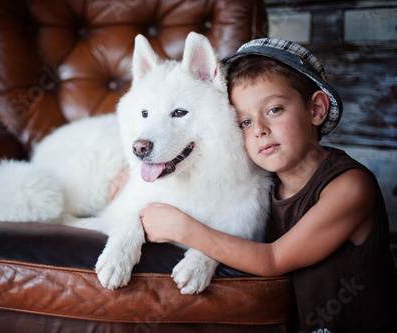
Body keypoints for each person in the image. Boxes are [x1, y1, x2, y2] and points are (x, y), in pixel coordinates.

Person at [134, 39, 397, 332]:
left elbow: (273, 259)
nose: (259, 129)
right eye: (244, 122)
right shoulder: (264, 183)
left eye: (274, 110)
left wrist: (182, 228)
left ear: (317, 109)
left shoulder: (350, 186)